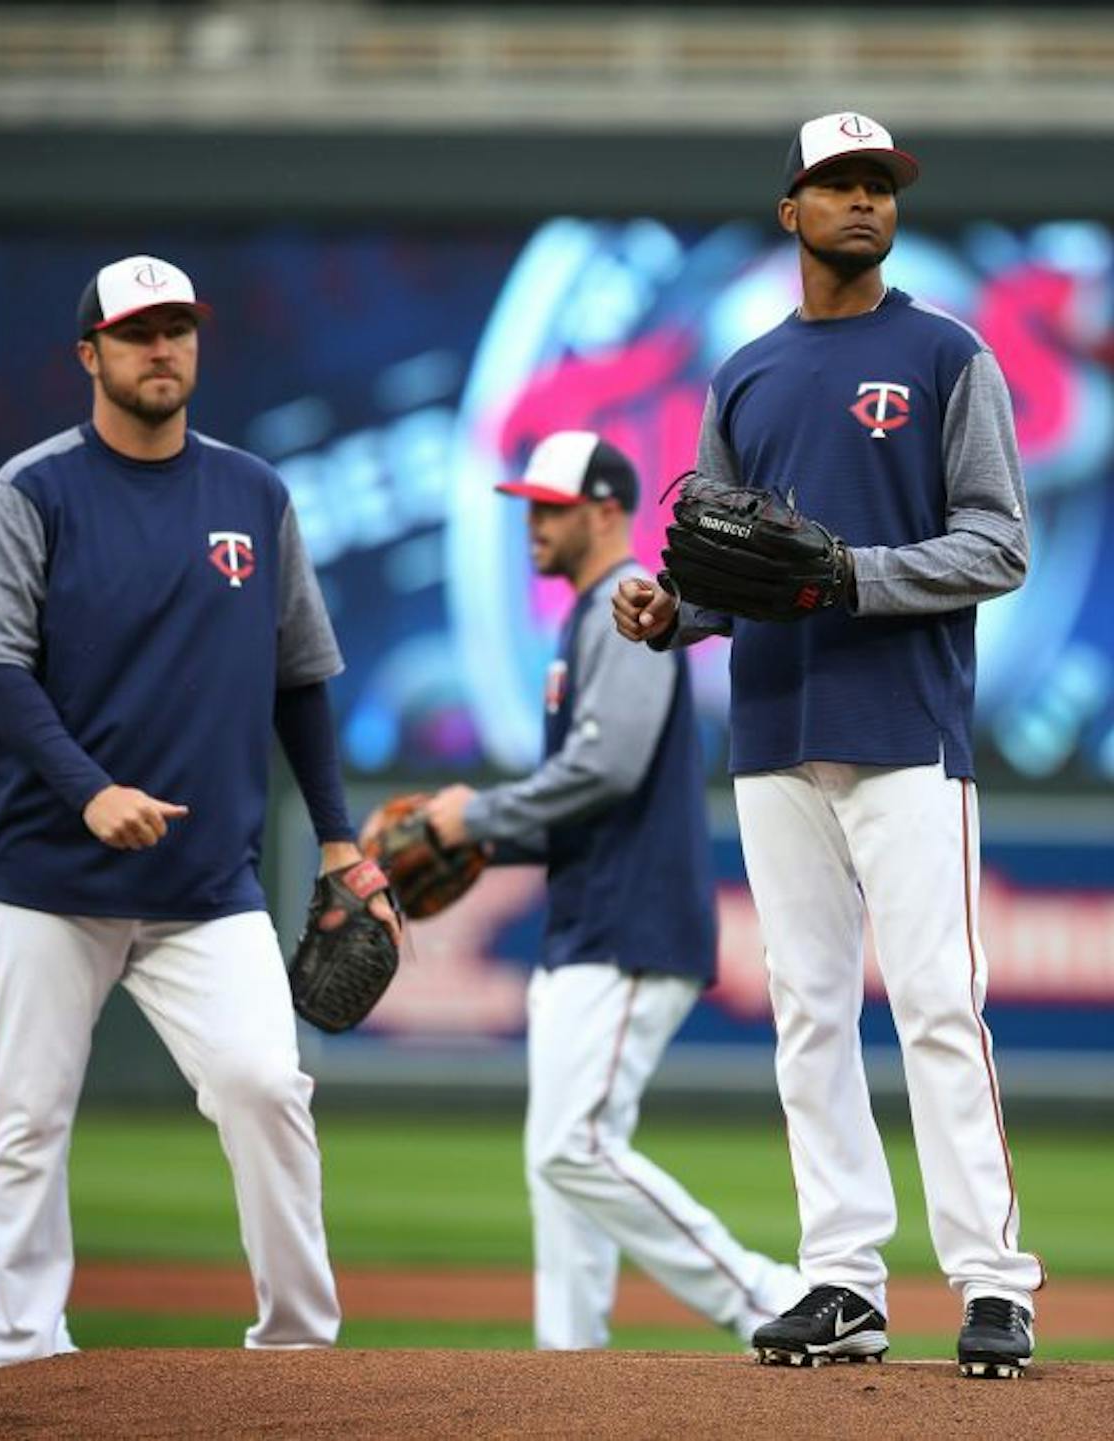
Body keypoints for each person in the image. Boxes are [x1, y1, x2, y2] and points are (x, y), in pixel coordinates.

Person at [612, 112, 1042, 1378]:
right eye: (837, 183)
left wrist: (854, 574)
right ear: (790, 210)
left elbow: (1000, 543)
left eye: (879, 183)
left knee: (938, 1004)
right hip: (772, 728)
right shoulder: (745, 374)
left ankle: (994, 1281)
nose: (863, 200)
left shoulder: (949, 353)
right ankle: (844, 1278)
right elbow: (718, 566)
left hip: (906, 724)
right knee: (807, 1010)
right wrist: (671, 611)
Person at [0, 255, 390, 1365]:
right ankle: (24, 1356)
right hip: (48, 877)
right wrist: (89, 792)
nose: (160, 348)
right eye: (137, 332)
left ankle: (298, 1348)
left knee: (265, 1087)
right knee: (28, 1122)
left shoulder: (253, 494)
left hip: (207, 883)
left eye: (177, 328)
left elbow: (300, 678)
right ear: (89, 353)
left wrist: (338, 839)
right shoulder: (32, 491)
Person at [417, 430, 801, 1350]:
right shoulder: (585, 615)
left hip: (630, 923)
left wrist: (477, 817)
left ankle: (764, 1295)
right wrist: (481, 836)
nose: (533, 526)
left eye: (550, 508)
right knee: (559, 1169)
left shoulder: (628, 608)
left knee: (572, 1147)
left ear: (605, 510)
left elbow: (608, 768)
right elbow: (582, 799)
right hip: (589, 920)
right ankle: (569, 1363)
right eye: (529, 508)